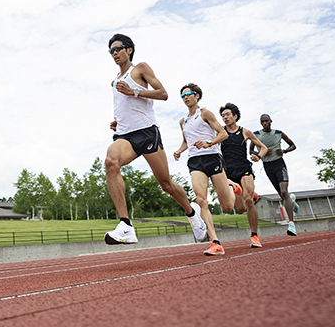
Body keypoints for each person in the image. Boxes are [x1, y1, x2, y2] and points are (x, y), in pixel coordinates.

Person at [104, 34, 207, 245]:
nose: (114, 53)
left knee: (166, 184)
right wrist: (118, 120)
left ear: (129, 50)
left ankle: (192, 214)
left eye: (118, 48)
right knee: (110, 161)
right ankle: (125, 225)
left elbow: (163, 94)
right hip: (125, 135)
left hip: (147, 133)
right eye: (111, 50)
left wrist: (135, 91)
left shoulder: (140, 68)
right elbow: (124, 107)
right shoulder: (114, 82)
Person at [173, 83, 243, 256]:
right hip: (195, 162)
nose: (185, 97)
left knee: (227, 205)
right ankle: (215, 242)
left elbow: (223, 133)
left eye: (188, 94)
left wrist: (208, 143)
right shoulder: (183, 121)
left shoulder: (204, 113)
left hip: (212, 158)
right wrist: (179, 151)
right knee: (201, 200)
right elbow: (186, 141)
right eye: (182, 95)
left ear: (197, 96)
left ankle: (230, 187)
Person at [219, 103, 267, 248]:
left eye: (227, 114)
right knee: (240, 209)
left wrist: (258, 156)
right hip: (228, 172)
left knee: (248, 200)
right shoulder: (220, 132)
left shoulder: (245, 132)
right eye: (222, 116)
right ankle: (245, 191)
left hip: (244, 168)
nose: (224, 117)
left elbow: (263, 148)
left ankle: (254, 236)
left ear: (235, 116)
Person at [251, 114, 299, 236]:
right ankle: (291, 201)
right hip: (267, 166)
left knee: (284, 192)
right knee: (283, 196)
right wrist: (262, 153)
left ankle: (291, 224)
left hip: (279, 164)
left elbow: (293, 145)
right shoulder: (256, 135)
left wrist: (284, 151)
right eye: (262, 122)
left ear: (270, 121)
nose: (264, 123)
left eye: (266, 121)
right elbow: (251, 151)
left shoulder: (279, 133)